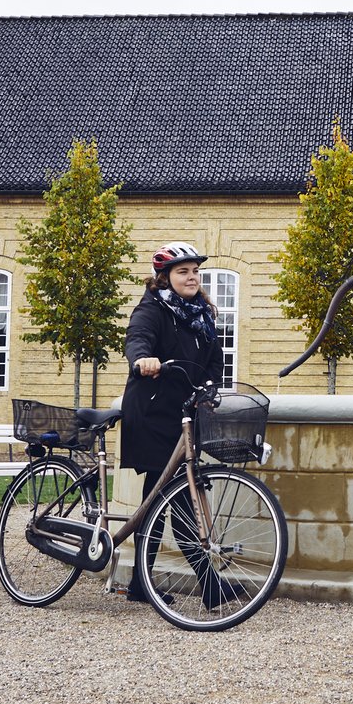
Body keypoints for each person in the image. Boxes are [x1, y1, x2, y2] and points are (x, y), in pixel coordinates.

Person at [120, 241, 227, 603]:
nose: (192, 277)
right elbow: (136, 338)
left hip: (185, 414)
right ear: (164, 278)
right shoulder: (151, 308)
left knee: (171, 496)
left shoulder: (202, 313)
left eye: (195, 271)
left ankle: (139, 585)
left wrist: (211, 387)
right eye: (183, 271)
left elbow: (215, 359)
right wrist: (143, 359)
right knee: (172, 498)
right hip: (153, 412)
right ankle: (210, 589)